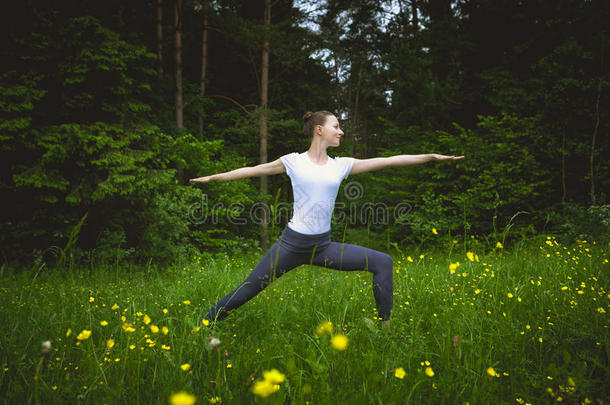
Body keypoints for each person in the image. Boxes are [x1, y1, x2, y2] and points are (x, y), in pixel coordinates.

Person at [189, 110, 463, 331]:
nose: (341, 131)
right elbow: (250, 171)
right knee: (248, 290)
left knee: (383, 262)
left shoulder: (341, 165)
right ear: (319, 129)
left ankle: (384, 326)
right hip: (291, 246)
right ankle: (202, 324)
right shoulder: (293, 161)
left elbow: (389, 160)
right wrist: (213, 178)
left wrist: (430, 157)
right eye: (336, 126)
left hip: (323, 247)